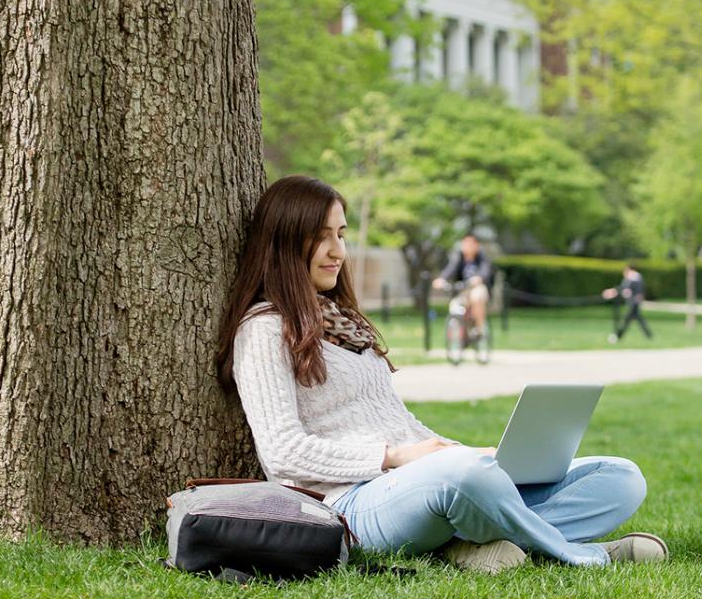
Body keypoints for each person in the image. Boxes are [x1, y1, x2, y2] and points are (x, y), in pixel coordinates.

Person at [217, 176, 668, 574]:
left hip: (417, 482)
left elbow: (400, 425)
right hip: (348, 504)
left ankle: (477, 544)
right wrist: (396, 458)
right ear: (283, 242)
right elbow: (281, 453)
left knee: (620, 477)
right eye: (321, 237)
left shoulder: (341, 319)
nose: (338, 250)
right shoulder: (263, 329)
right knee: (461, 476)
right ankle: (584, 555)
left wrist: (466, 452)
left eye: (341, 233)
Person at [432, 232, 493, 334]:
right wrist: (441, 279)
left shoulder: (482, 258)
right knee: (455, 306)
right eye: (465, 243)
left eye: (470, 243)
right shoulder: (458, 257)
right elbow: (450, 269)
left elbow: (485, 271)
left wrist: (479, 278)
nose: (467, 246)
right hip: (462, 289)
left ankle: (480, 329)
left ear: (476, 245)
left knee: (476, 297)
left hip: (477, 288)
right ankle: (459, 334)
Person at [603, 265, 654, 343]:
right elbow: (623, 289)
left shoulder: (633, 277)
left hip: (634, 303)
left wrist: (613, 292)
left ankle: (617, 336)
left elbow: (630, 290)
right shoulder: (633, 278)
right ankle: (649, 335)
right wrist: (613, 291)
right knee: (637, 319)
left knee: (627, 320)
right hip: (633, 302)